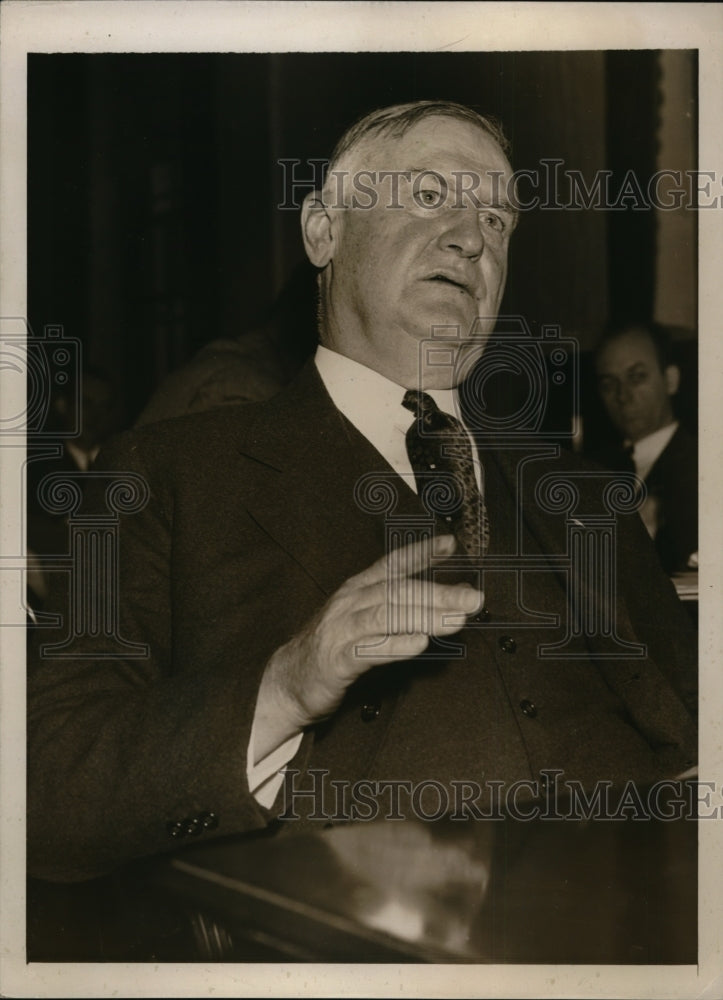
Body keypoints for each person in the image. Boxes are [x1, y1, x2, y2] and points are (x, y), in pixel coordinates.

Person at [28, 101, 697, 885]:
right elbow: (50, 793)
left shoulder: (582, 492)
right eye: (429, 195)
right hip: (354, 923)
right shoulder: (163, 473)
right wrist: (286, 685)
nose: (471, 237)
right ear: (324, 230)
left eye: (496, 218)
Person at [593, 322, 698, 574]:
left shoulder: (703, 466)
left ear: (670, 380)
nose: (623, 396)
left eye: (637, 377)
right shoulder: (591, 470)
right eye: (609, 384)